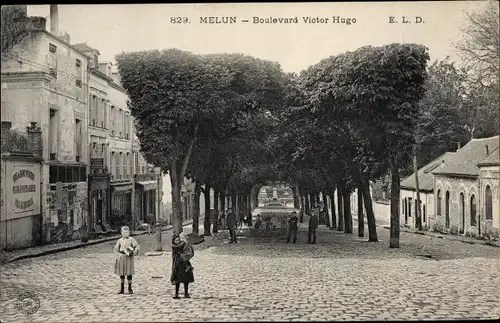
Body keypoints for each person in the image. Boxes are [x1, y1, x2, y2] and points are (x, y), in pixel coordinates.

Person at [114, 226, 140, 294]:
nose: (126, 233)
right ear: (121, 233)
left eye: (127, 232)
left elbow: (137, 246)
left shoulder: (131, 239)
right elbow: (116, 249)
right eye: (124, 232)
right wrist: (118, 255)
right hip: (122, 257)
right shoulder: (120, 240)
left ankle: (129, 288)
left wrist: (134, 251)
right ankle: (122, 289)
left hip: (129, 257)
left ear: (129, 232)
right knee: (121, 273)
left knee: (129, 273)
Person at [170, 233, 195, 299]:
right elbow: (178, 247)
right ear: (174, 241)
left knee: (186, 279)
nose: (177, 241)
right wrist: (184, 242)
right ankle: (176, 294)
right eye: (176, 240)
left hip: (184, 263)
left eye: (178, 240)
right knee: (177, 280)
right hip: (178, 264)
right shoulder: (175, 246)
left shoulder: (182, 244)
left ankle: (186, 293)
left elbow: (187, 249)